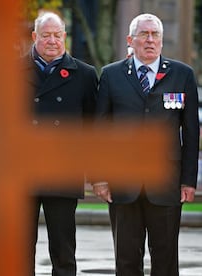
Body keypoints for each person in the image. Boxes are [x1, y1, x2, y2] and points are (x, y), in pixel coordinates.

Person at [93, 13, 199, 276]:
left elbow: (192, 132)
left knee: (165, 258)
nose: (150, 40)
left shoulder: (182, 75)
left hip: (166, 182)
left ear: (162, 41)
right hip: (123, 182)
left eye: (155, 35)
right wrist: (99, 178)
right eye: (144, 34)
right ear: (131, 40)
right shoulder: (111, 75)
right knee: (127, 259)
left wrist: (188, 181)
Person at [22, 12, 97, 276]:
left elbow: (92, 129)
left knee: (64, 251)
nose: (52, 40)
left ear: (64, 36)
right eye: (46, 35)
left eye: (57, 35)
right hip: (21, 174)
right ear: (34, 37)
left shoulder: (85, 75)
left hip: (63, 172)